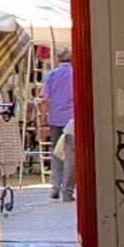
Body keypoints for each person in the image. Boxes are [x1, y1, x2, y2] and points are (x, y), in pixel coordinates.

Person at [43, 51, 79, 198]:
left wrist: (42, 123)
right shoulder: (76, 74)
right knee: (71, 157)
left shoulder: (51, 75)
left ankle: (55, 187)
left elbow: (45, 99)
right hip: (71, 121)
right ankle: (67, 192)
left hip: (55, 119)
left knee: (57, 153)